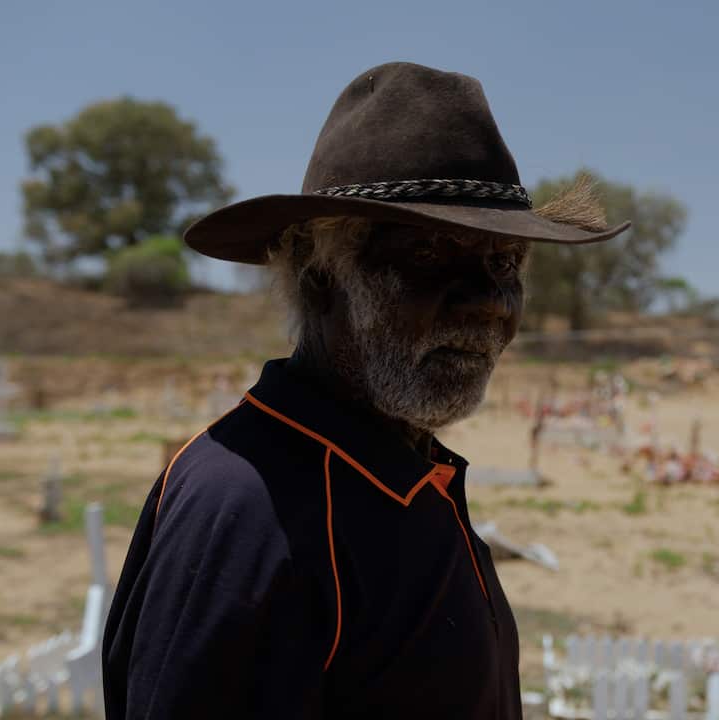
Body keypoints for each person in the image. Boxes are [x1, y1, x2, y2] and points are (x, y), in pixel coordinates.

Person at [102, 61, 629, 719]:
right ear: (322, 276)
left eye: (505, 263)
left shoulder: (402, 472)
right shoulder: (249, 510)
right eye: (432, 255)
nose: (492, 303)